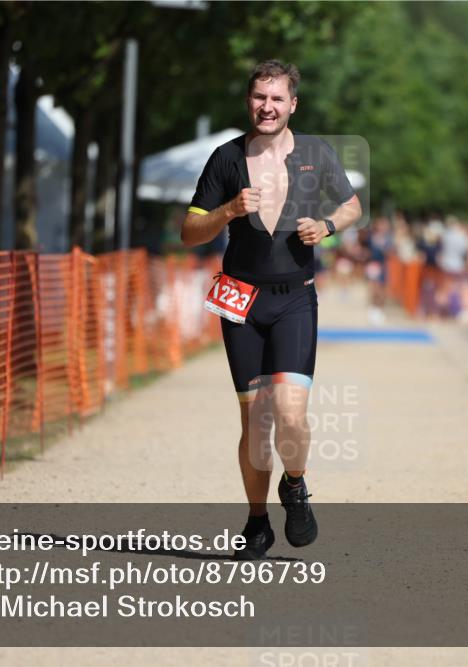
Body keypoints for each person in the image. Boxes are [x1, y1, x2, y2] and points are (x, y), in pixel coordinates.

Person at [181, 60, 363, 559]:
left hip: (294, 299)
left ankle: (297, 485)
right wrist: (227, 212)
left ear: (293, 104)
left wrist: (327, 226)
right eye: (260, 97)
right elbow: (189, 231)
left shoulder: (316, 153)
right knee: (255, 422)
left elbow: (352, 207)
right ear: (249, 101)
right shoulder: (225, 159)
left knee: (290, 413)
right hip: (240, 300)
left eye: (277, 98)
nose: (268, 106)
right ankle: (257, 522)